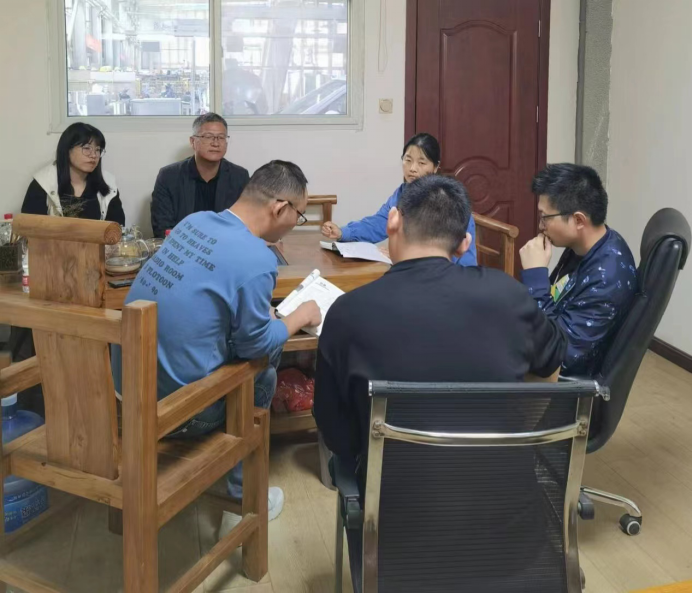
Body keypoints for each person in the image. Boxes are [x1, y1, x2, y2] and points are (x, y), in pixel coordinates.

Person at [113, 160, 321, 535]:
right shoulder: (257, 259)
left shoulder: (195, 222)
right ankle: (241, 502)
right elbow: (256, 347)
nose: (296, 222)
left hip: (122, 394)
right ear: (279, 208)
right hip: (175, 412)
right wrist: (297, 317)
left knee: (248, 335)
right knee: (264, 370)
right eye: (299, 215)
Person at [314, 174, 566, 477]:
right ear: (464, 245)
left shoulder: (347, 313)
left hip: (394, 499)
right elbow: (552, 363)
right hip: (506, 494)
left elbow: (337, 435)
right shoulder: (509, 294)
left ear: (393, 222)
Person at [520, 163, 637, 377]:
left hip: (561, 382)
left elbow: (557, 357)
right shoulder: (585, 245)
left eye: (545, 217)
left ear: (578, 220)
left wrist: (535, 277)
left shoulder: (606, 278)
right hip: (543, 344)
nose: (540, 226)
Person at [321, 133, 478, 266]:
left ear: (436, 167)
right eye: (408, 160)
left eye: (421, 162)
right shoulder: (402, 193)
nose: (412, 168)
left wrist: (403, 257)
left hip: (448, 277)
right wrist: (343, 233)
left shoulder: (449, 200)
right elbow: (379, 222)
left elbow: (459, 260)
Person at [150, 113, 250, 237]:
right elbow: (162, 228)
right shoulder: (169, 176)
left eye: (221, 137)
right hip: (182, 245)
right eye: (208, 137)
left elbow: (246, 224)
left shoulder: (239, 176)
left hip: (226, 245)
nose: (216, 143)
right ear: (193, 142)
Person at [21, 122, 125, 224]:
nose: (94, 155)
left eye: (97, 150)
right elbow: (29, 228)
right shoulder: (43, 183)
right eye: (86, 148)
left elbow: (117, 228)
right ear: (67, 150)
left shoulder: (108, 184)